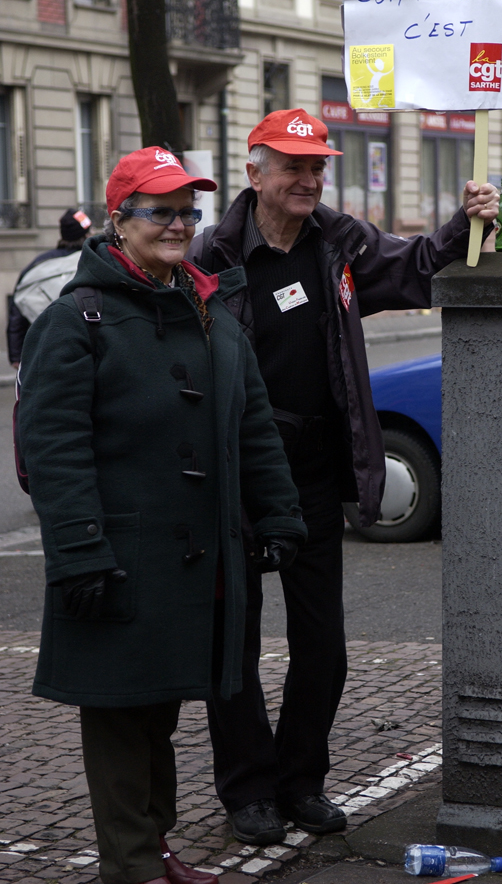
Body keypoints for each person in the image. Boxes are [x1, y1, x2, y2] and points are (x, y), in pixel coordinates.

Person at [187, 108, 499, 845]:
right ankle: (248, 791)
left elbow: (415, 266)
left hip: (318, 467)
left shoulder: (340, 240)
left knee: (321, 643)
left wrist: (465, 224)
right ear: (254, 172)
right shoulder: (212, 255)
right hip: (237, 475)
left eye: (318, 165)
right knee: (232, 640)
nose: (309, 178)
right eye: (294, 166)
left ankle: (300, 782)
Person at [18, 146, 307, 884]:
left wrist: (277, 515)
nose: (178, 225)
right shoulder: (74, 319)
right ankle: (135, 865)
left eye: (188, 211)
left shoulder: (209, 308)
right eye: (160, 211)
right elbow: (53, 447)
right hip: (116, 557)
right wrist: (80, 549)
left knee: (161, 713)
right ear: (120, 221)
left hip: (194, 558)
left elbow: (253, 429)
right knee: (120, 719)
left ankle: (157, 847)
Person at [6, 207, 92, 367]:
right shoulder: (90, 262)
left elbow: (17, 311)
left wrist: (16, 356)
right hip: (83, 350)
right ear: (86, 235)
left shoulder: (37, 265)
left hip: (41, 350)